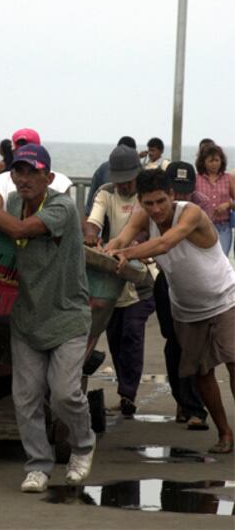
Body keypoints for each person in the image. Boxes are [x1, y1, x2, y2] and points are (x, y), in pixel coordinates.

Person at [0, 144, 95, 492]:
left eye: (33, 172)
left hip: (67, 317)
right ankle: (38, 465)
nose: (25, 178)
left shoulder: (61, 206)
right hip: (27, 318)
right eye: (19, 171)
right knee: (26, 398)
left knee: (64, 394)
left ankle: (83, 447)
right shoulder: (14, 204)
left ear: (48, 177)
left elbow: (17, 232)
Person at [105, 168, 235, 454]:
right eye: (149, 203)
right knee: (202, 373)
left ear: (172, 195)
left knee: (234, 361)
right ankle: (225, 433)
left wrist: (127, 254)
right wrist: (108, 251)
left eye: (161, 201)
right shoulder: (144, 216)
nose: (156, 209)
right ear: (140, 201)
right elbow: (121, 239)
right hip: (186, 309)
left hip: (225, 298)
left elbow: (165, 243)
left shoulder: (190, 214)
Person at [84, 145, 155, 418]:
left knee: (132, 335)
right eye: (120, 179)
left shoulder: (146, 197)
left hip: (142, 275)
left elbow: (148, 231)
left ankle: (129, 393)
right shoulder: (105, 193)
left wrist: (135, 246)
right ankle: (126, 391)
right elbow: (93, 221)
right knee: (114, 335)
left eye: (129, 179)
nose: (124, 185)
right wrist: (91, 235)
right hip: (112, 272)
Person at [154, 161, 210, 429]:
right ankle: (183, 400)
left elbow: (169, 243)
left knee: (197, 348)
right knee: (173, 343)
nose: (182, 196)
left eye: (186, 190)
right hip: (168, 281)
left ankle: (195, 407)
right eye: (177, 190)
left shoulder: (198, 207)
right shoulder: (153, 209)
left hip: (200, 286)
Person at [0, 128, 72, 209]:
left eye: (33, 172)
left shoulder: (1, 181)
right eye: (20, 171)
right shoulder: (61, 181)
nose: (24, 180)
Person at [195, 143, 235, 256]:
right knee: (204, 260)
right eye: (210, 161)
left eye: (217, 160)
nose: (214, 164)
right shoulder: (197, 179)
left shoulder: (228, 178)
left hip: (223, 227)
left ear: (221, 161)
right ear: (203, 162)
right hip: (202, 226)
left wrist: (228, 204)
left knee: (222, 260)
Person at [84, 136, 137, 217]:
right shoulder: (104, 189)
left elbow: (89, 206)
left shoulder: (103, 169)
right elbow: (91, 205)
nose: (124, 185)